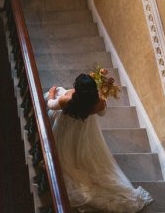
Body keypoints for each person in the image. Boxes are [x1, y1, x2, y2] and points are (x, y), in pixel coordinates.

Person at [45, 74, 153, 212]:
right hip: (84, 131)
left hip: (65, 128)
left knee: (64, 152)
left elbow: (51, 105)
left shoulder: (67, 100)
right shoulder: (99, 103)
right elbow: (102, 114)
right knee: (82, 153)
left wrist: (52, 94)